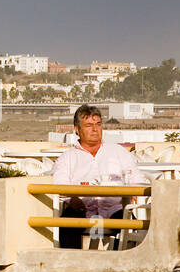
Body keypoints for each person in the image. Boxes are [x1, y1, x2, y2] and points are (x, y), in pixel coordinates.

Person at [50, 104, 144, 249]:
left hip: (115, 209)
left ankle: (119, 267)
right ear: (77, 129)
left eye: (98, 124)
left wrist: (131, 195)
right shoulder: (67, 158)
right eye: (88, 125)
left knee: (133, 226)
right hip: (82, 211)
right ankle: (73, 267)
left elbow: (137, 180)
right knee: (65, 224)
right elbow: (59, 186)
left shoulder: (118, 152)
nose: (95, 129)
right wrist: (72, 199)